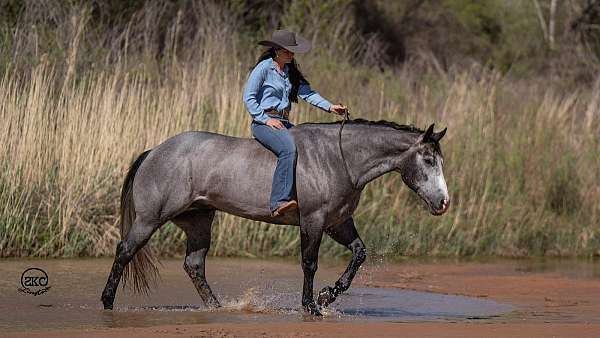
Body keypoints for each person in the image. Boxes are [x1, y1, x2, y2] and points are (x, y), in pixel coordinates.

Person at [243, 30, 347, 217]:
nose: (292, 54)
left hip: (283, 121)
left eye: (293, 51)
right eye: (288, 51)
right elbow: (248, 98)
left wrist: (331, 107)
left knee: (310, 145)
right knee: (288, 150)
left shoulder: (290, 72)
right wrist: (266, 119)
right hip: (263, 123)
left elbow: (308, 94)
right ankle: (278, 202)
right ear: (276, 50)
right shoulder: (264, 69)